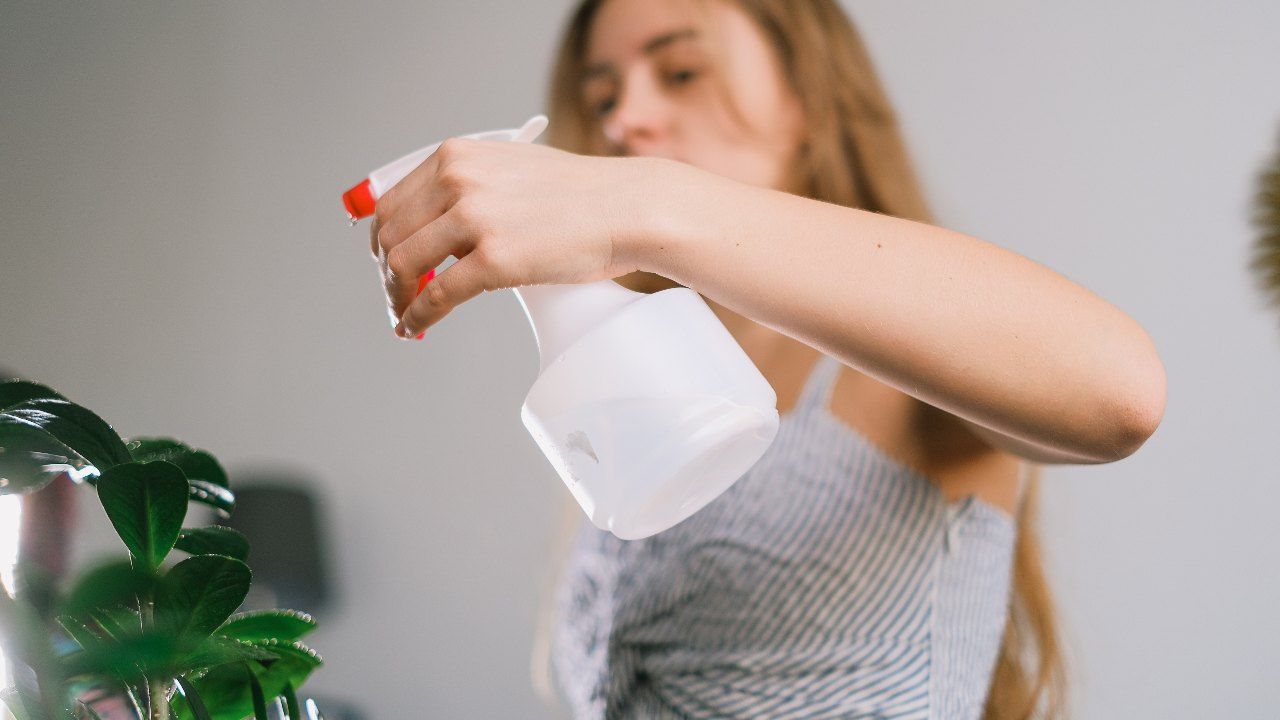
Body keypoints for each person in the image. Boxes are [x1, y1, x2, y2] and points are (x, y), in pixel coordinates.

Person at [367, 0, 1167, 717]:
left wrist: (644, 200)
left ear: (810, 100)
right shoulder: (658, 384)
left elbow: (1119, 392)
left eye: (680, 71)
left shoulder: (900, 366)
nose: (624, 120)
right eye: (603, 95)